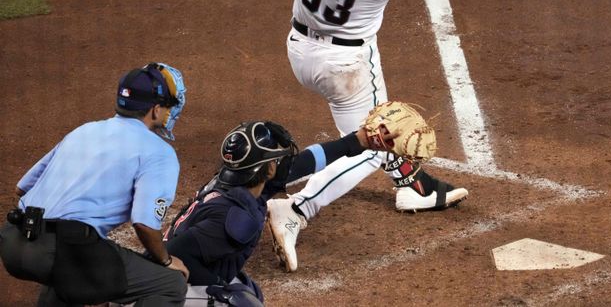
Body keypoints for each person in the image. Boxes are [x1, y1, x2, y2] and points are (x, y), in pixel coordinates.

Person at [268, 0, 469, 272]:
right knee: (374, 144)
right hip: (344, 67)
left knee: (374, 115)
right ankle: (296, 208)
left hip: (301, 48)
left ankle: (411, 186)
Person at [162, 108, 414, 306]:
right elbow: (171, 254)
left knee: (247, 290)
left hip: (173, 276)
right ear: (270, 169)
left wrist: (358, 141)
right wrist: (219, 287)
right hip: (165, 288)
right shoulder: (238, 217)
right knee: (240, 301)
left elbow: (305, 163)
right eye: (280, 159)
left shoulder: (239, 181)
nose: (287, 162)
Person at [0, 63, 190, 306]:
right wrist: (165, 260)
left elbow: (22, 187)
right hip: (64, 250)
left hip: (14, 241)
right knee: (169, 284)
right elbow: (144, 224)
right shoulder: (159, 152)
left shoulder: (84, 131)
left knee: (70, 276)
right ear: (155, 110)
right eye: (167, 106)